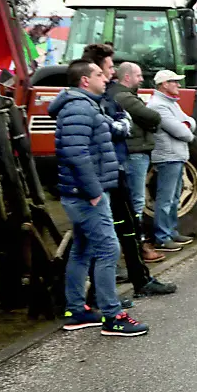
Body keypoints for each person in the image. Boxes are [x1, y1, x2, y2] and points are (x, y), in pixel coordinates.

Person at [50, 60, 148, 336]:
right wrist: (93, 192)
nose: (105, 78)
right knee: (108, 249)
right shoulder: (79, 108)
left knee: (83, 250)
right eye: (98, 74)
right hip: (86, 195)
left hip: (85, 193)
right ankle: (112, 315)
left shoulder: (85, 105)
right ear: (84, 80)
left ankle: (76, 310)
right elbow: (75, 154)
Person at [82, 44, 167, 294]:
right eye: (108, 68)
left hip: (114, 168)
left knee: (128, 226)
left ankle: (140, 280)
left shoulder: (108, 97)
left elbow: (123, 125)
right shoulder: (94, 102)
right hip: (107, 174)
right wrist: (120, 125)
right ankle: (100, 297)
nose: (112, 73)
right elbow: (117, 128)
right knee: (108, 235)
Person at [109, 62, 164, 264]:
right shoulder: (124, 97)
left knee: (133, 201)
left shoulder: (123, 95)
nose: (142, 79)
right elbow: (152, 116)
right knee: (136, 201)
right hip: (135, 154)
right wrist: (149, 120)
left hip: (136, 152)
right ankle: (138, 245)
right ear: (127, 77)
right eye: (138, 75)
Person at [147, 70, 195, 262]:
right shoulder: (158, 106)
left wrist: (186, 126)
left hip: (176, 155)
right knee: (165, 198)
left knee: (174, 197)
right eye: (175, 82)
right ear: (164, 84)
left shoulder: (171, 104)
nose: (178, 85)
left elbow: (189, 122)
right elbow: (181, 131)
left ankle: (172, 231)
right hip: (167, 156)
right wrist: (187, 130)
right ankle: (162, 237)